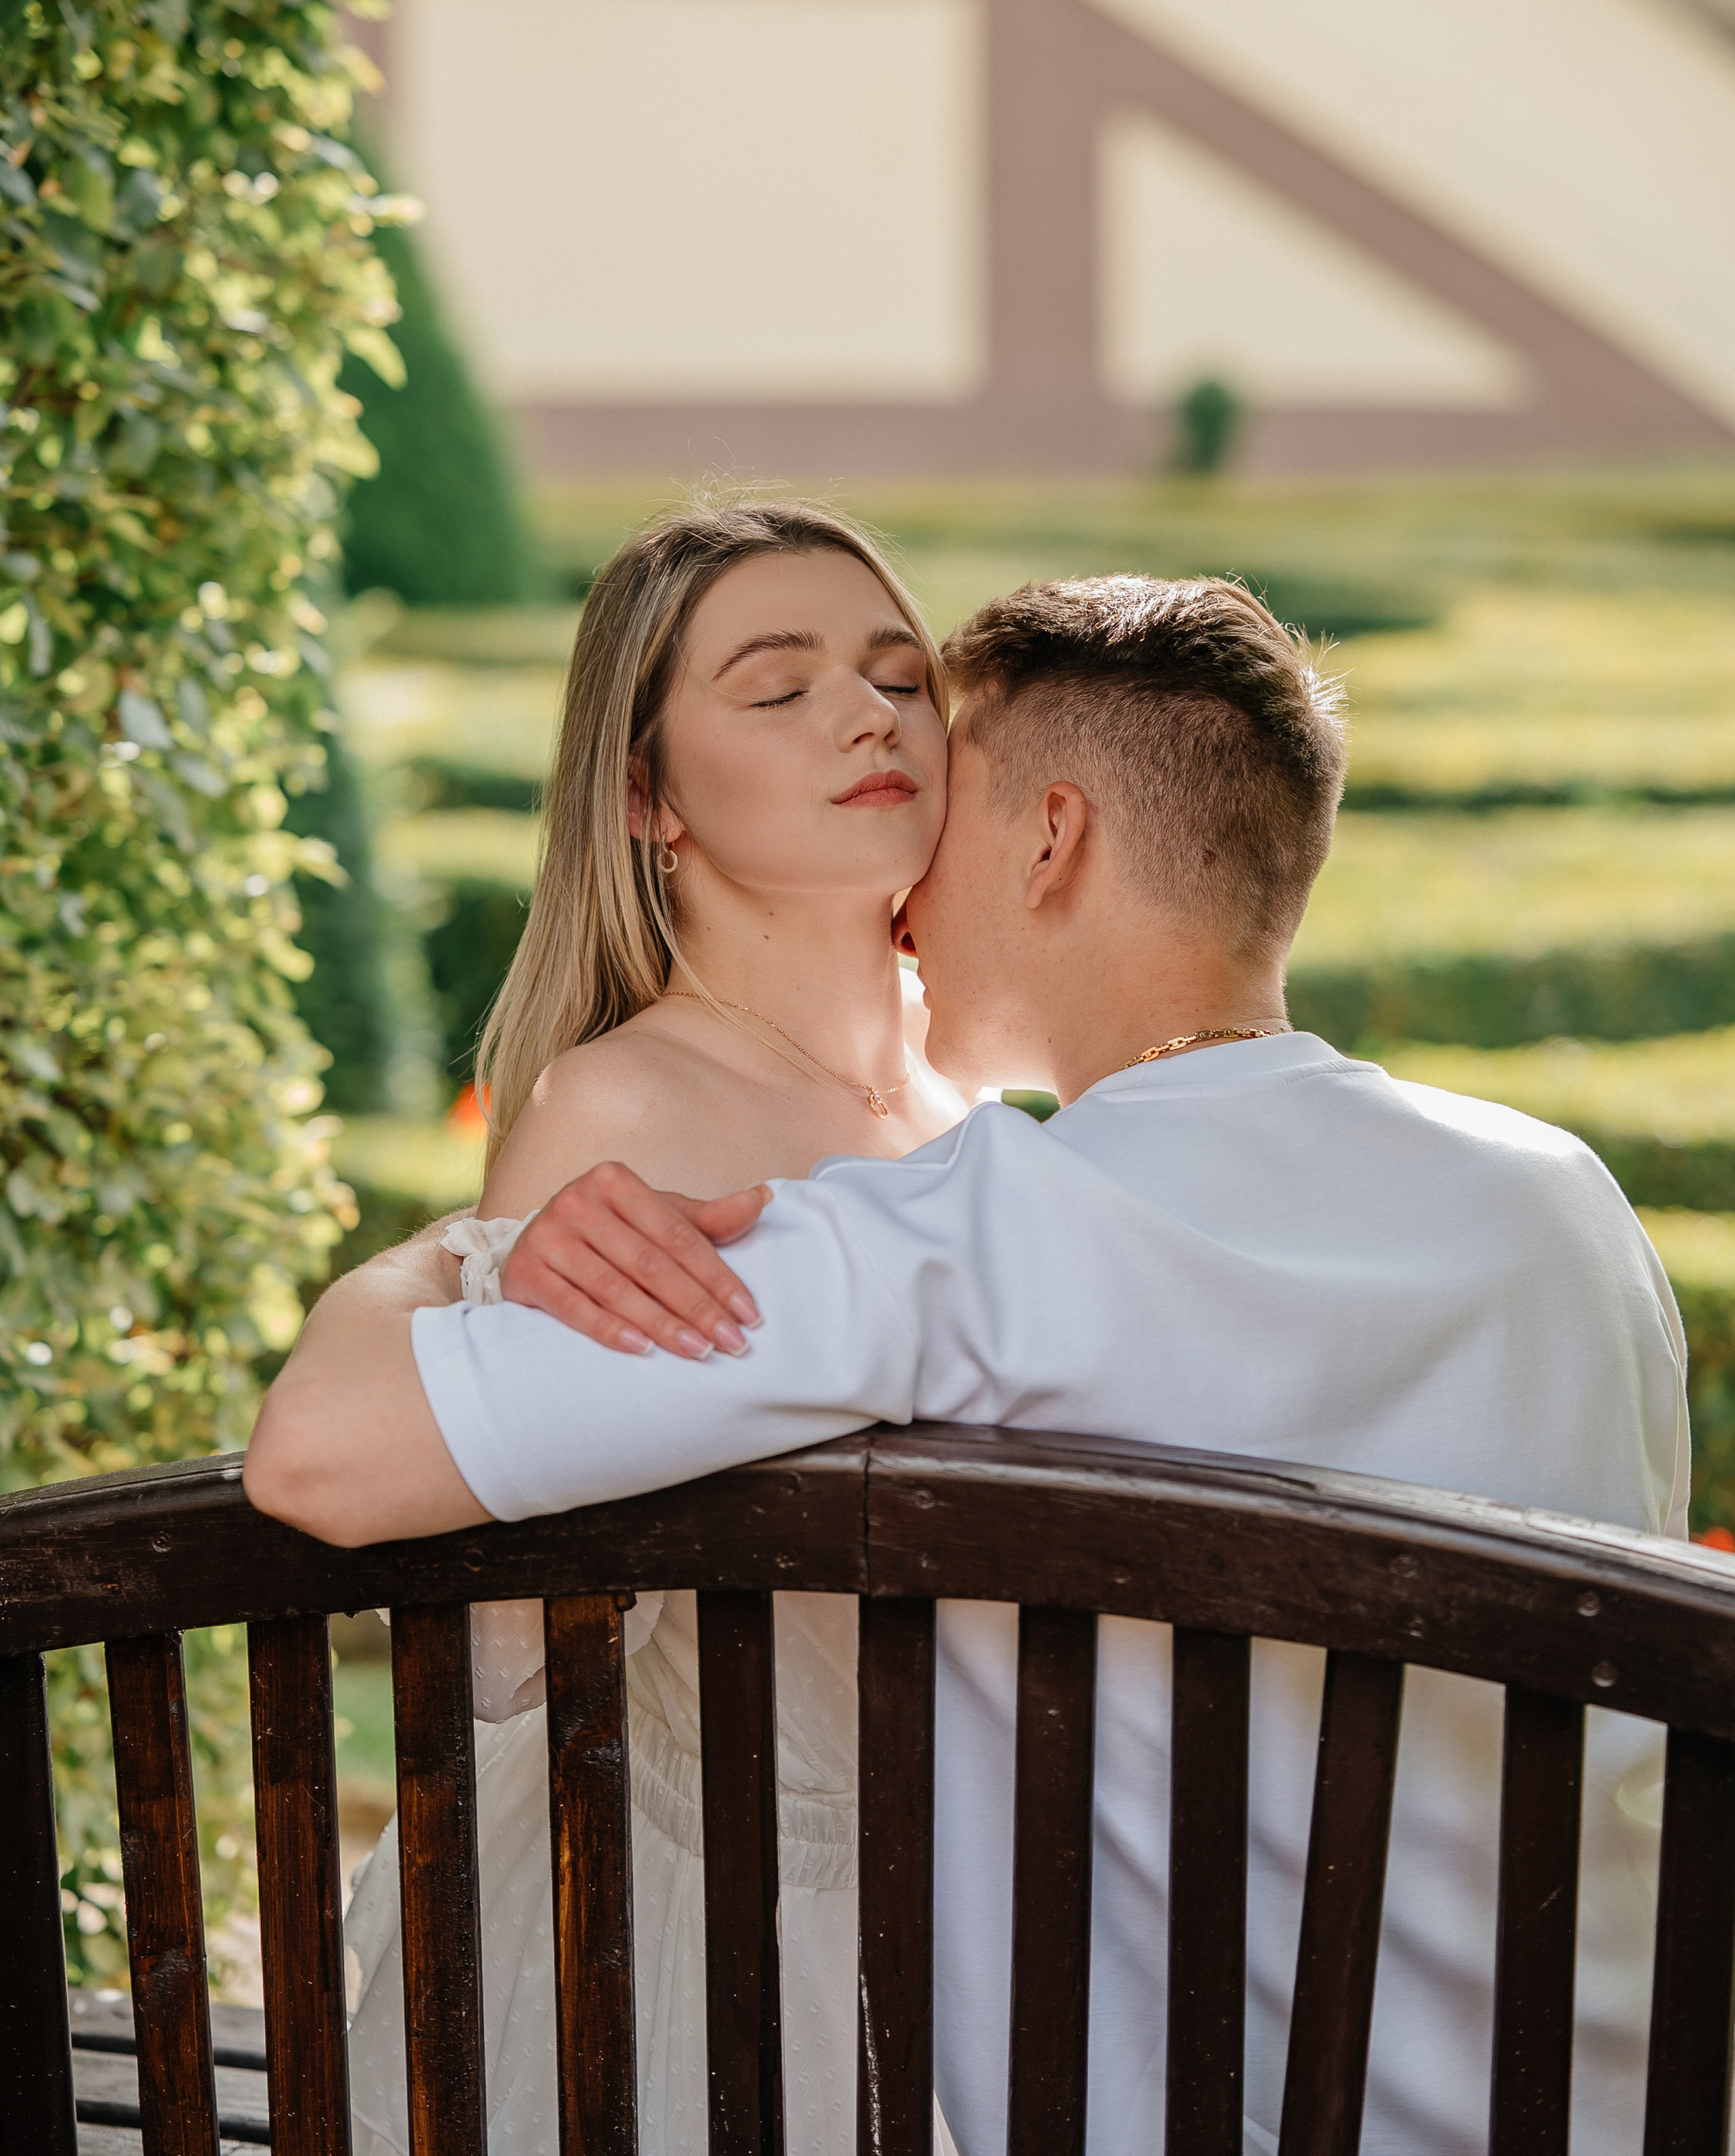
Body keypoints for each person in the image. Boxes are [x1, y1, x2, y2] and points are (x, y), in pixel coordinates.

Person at [249, 573, 1689, 2156]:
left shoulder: (970, 1233)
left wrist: (447, 1257)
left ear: (1051, 840)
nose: (909, 892)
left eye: (943, 813)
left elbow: (317, 1459)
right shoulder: (1568, 1202)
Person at [305, 493, 973, 2156]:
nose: (866, 711)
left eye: (898, 671)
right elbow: (518, 1647)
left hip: (976, 1893)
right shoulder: (623, 1113)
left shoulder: (977, 1080)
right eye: (777, 685)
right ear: (644, 794)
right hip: (713, 1927)